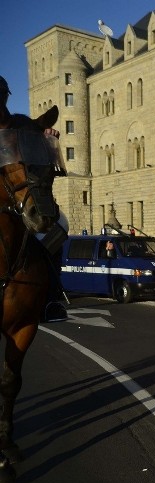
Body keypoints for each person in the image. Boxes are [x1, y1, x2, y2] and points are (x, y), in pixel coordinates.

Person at [1, 74, 67, 322]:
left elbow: (39, 159)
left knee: (60, 226)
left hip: (19, 197)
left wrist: (47, 136)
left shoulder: (21, 125)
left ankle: (51, 297)